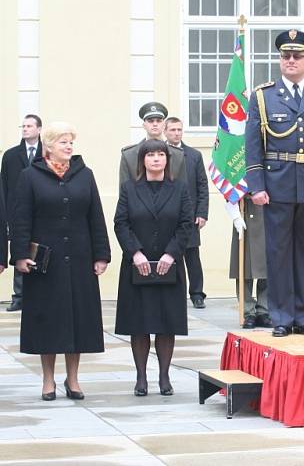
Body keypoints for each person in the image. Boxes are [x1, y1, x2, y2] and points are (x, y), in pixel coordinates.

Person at [245, 29, 304, 338]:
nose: (290, 61)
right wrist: (256, 185)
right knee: (278, 253)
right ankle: (281, 316)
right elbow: (253, 146)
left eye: (297, 56)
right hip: (276, 184)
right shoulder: (263, 96)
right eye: (285, 56)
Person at [11, 122, 110, 401]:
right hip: (45, 262)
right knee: (47, 320)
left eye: (71, 142)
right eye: (63, 142)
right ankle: (48, 380)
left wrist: (101, 255)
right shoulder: (30, 176)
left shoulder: (84, 175)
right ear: (49, 147)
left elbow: (96, 217)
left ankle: (74, 379)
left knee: (77, 319)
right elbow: (21, 218)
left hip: (80, 257)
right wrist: (20, 255)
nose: (68, 147)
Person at [114, 140, 193, 396]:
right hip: (138, 267)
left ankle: (164, 376)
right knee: (139, 324)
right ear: (143, 160)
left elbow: (185, 224)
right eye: (151, 155)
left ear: (167, 160)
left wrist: (171, 253)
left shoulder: (179, 189)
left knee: (166, 324)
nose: (156, 159)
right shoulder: (130, 189)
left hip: (169, 267)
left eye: (161, 154)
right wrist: (134, 252)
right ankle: (140, 378)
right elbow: (121, 223)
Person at [164, 117, 209, 309]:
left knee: (192, 255)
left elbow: (202, 185)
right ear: (165, 132)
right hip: (166, 215)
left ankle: (197, 293)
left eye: (179, 130)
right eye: (172, 130)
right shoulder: (158, 154)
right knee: (169, 255)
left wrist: (202, 212)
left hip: (189, 215)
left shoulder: (194, 155)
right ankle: (172, 292)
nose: (176, 133)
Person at [1, 114, 42, 312]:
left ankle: (39, 295)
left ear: (39, 129)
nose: (25, 129)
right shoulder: (10, 156)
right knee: (20, 249)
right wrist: (8, 215)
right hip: (17, 211)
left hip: (42, 211)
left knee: (39, 252)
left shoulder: (47, 153)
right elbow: (5, 188)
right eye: (23, 126)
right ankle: (18, 296)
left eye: (29, 126)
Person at [226, 198, 271, 329]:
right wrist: (235, 216)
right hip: (244, 209)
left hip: (267, 207)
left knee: (268, 266)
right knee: (244, 267)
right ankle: (248, 312)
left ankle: (264, 310)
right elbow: (232, 186)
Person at [119, 102, 185, 184]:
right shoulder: (128, 155)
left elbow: (183, 190)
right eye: (150, 121)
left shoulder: (178, 154)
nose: (155, 124)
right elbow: (124, 191)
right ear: (144, 125)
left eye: (159, 121)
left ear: (164, 125)